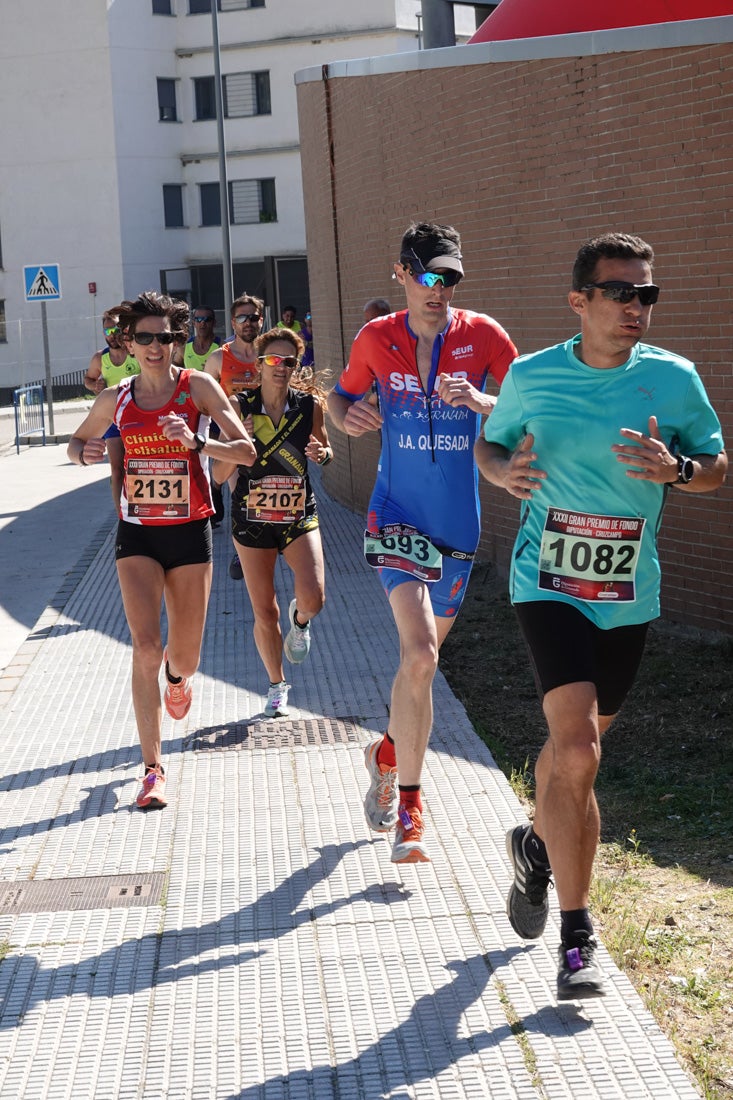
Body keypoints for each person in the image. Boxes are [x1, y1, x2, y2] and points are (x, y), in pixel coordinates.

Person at [474, 232, 727, 1000]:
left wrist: (676, 471)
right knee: (577, 749)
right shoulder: (531, 374)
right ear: (578, 301)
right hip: (546, 582)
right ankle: (577, 938)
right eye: (619, 293)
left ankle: (537, 847)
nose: (635, 308)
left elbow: (716, 468)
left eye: (645, 294)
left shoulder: (673, 380)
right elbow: (488, 446)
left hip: (626, 593)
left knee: (572, 752)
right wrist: (504, 472)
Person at [327, 221, 517, 864]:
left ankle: (386, 749)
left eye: (451, 278)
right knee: (421, 653)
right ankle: (411, 805)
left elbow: (524, 411)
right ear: (402, 275)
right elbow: (340, 397)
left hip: (458, 526)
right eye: (429, 276)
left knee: (421, 667)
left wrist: (482, 400)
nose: (441, 289)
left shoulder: (485, 336)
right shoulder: (376, 339)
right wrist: (345, 415)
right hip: (395, 515)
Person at [67, 291, 256, 811]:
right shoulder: (117, 399)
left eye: (166, 337)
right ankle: (152, 769)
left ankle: (177, 680)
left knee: (185, 656)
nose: (156, 346)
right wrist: (81, 452)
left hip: (191, 531)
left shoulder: (198, 387)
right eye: (145, 337)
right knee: (146, 645)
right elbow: (75, 443)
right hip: (139, 535)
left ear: (176, 342)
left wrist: (199, 444)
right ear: (129, 342)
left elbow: (246, 450)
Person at [211, 326, 332, 719]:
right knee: (265, 612)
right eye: (274, 361)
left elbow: (324, 449)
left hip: (298, 514)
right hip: (252, 518)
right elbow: (217, 474)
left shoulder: (308, 406)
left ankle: (301, 622)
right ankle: (277, 685)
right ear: (259, 364)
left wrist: (324, 454)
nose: (281, 368)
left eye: (290, 362)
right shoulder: (238, 406)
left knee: (314, 597)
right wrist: (239, 447)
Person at [205, 293, 265, 553]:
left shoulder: (270, 356)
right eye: (242, 317)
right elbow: (203, 399)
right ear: (233, 323)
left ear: (261, 321)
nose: (248, 322)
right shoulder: (219, 358)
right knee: (240, 495)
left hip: (268, 436)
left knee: (264, 496)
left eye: (253, 317)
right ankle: (244, 552)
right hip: (233, 439)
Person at [84, 309, 141, 508]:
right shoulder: (100, 358)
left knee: (139, 466)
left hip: (138, 417)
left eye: (116, 330)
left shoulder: (135, 353)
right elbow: (88, 379)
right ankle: (121, 517)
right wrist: (94, 386)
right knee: (117, 469)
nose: (112, 335)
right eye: (107, 332)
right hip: (113, 419)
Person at [173, 304, 219, 372]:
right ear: (193, 323)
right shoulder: (184, 347)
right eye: (198, 319)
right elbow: (174, 367)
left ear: (214, 323)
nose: (202, 323)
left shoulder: (223, 347)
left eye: (207, 319)